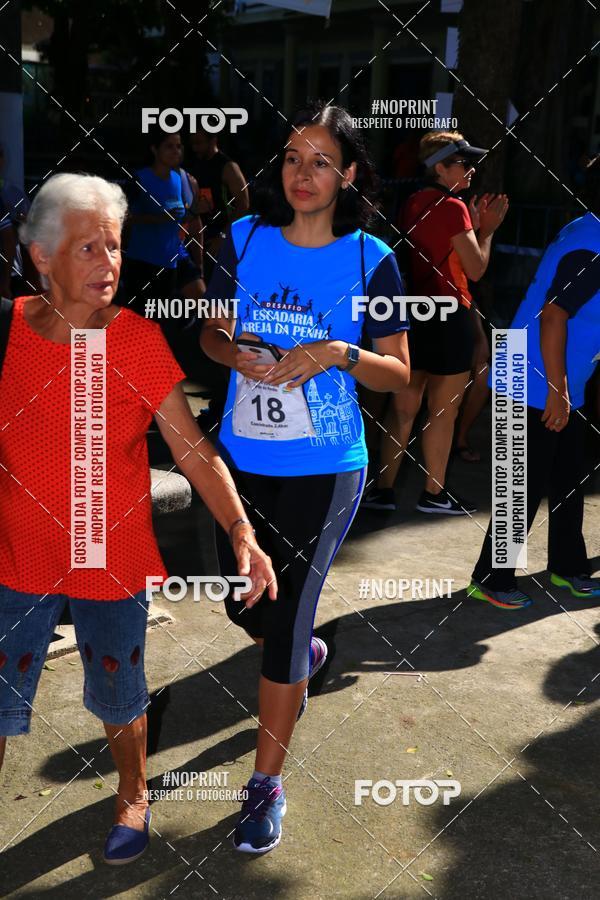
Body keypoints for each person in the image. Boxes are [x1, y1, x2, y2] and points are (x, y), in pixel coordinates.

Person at [0, 173, 275, 863]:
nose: (109, 263)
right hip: (16, 553)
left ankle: (133, 790)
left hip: (108, 550)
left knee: (120, 694)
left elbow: (194, 450)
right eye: (87, 247)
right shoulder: (5, 331)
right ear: (41, 256)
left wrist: (241, 529)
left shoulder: (135, 341)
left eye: (115, 247)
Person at [200, 103, 410, 854]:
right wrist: (234, 354)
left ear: (348, 175)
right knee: (246, 610)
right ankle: (306, 656)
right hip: (241, 462)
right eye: (293, 157)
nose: (303, 173)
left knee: (284, 623)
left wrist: (334, 353)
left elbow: (396, 372)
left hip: (327, 467)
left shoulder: (370, 257)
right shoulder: (243, 238)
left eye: (322, 161)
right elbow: (208, 331)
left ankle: (264, 788)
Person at [469, 156, 600, 608]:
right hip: (534, 375)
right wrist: (559, 392)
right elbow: (554, 316)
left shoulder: (588, 226)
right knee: (520, 484)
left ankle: (568, 567)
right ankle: (490, 578)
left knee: (567, 477)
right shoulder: (591, 243)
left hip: (556, 373)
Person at [362, 130, 508, 513]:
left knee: (403, 408)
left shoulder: (411, 202)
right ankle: (434, 494)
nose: (471, 169)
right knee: (443, 412)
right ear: (440, 167)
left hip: (414, 313)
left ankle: (384, 490)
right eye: (463, 163)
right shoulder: (455, 207)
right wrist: (486, 231)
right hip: (449, 317)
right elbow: (475, 270)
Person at [188, 125, 250, 279]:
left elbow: (243, 204)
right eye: (193, 143)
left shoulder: (228, 166)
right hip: (200, 237)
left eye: (199, 143)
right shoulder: (195, 163)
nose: (195, 148)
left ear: (213, 141)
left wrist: (223, 237)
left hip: (220, 238)